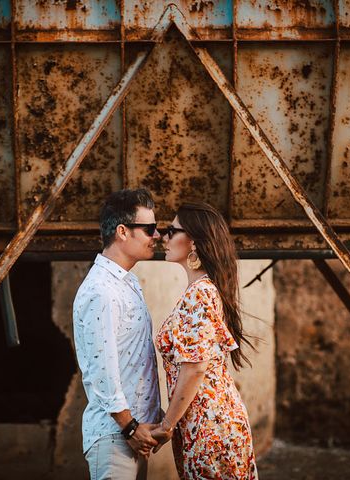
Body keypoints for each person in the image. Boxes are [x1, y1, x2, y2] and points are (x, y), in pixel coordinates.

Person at [151, 201, 258, 479]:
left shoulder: (200, 293)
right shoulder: (203, 289)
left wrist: (166, 425)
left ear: (194, 243)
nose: (164, 237)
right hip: (204, 421)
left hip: (210, 425)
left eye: (172, 231)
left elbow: (195, 367)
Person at [73, 188, 162, 480]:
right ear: (122, 232)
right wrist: (130, 427)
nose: (157, 236)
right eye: (149, 229)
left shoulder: (127, 282)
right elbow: (102, 370)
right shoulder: (102, 290)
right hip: (116, 436)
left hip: (134, 434)